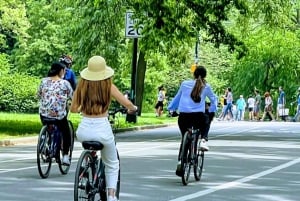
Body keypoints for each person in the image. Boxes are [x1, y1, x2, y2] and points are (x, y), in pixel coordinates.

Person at [70, 55, 137, 201]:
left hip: (83, 131)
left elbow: (73, 109)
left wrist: (86, 107)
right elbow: (125, 103)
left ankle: (88, 166)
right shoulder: (108, 86)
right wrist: (133, 108)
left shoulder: (81, 86)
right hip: (102, 130)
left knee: (94, 150)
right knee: (112, 164)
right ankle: (111, 196)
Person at [167, 65, 217, 177]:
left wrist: (171, 109)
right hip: (198, 117)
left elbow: (177, 98)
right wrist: (212, 110)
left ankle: (181, 161)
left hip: (183, 117)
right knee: (206, 120)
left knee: (185, 138)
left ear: (194, 74)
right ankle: (204, 140)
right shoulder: (206, 86)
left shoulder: (184, 84)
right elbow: (214, 100)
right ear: (205, 75)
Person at [37, 62, 73, 165]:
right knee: (66, 132)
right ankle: (65, 156)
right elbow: (73, 97)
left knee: (48, 125)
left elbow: (38, 95)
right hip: (58, 116)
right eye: (64, 71)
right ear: (61, 71)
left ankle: (45, 140)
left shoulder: (43, 81)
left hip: (44, 114)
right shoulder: (65, 83)